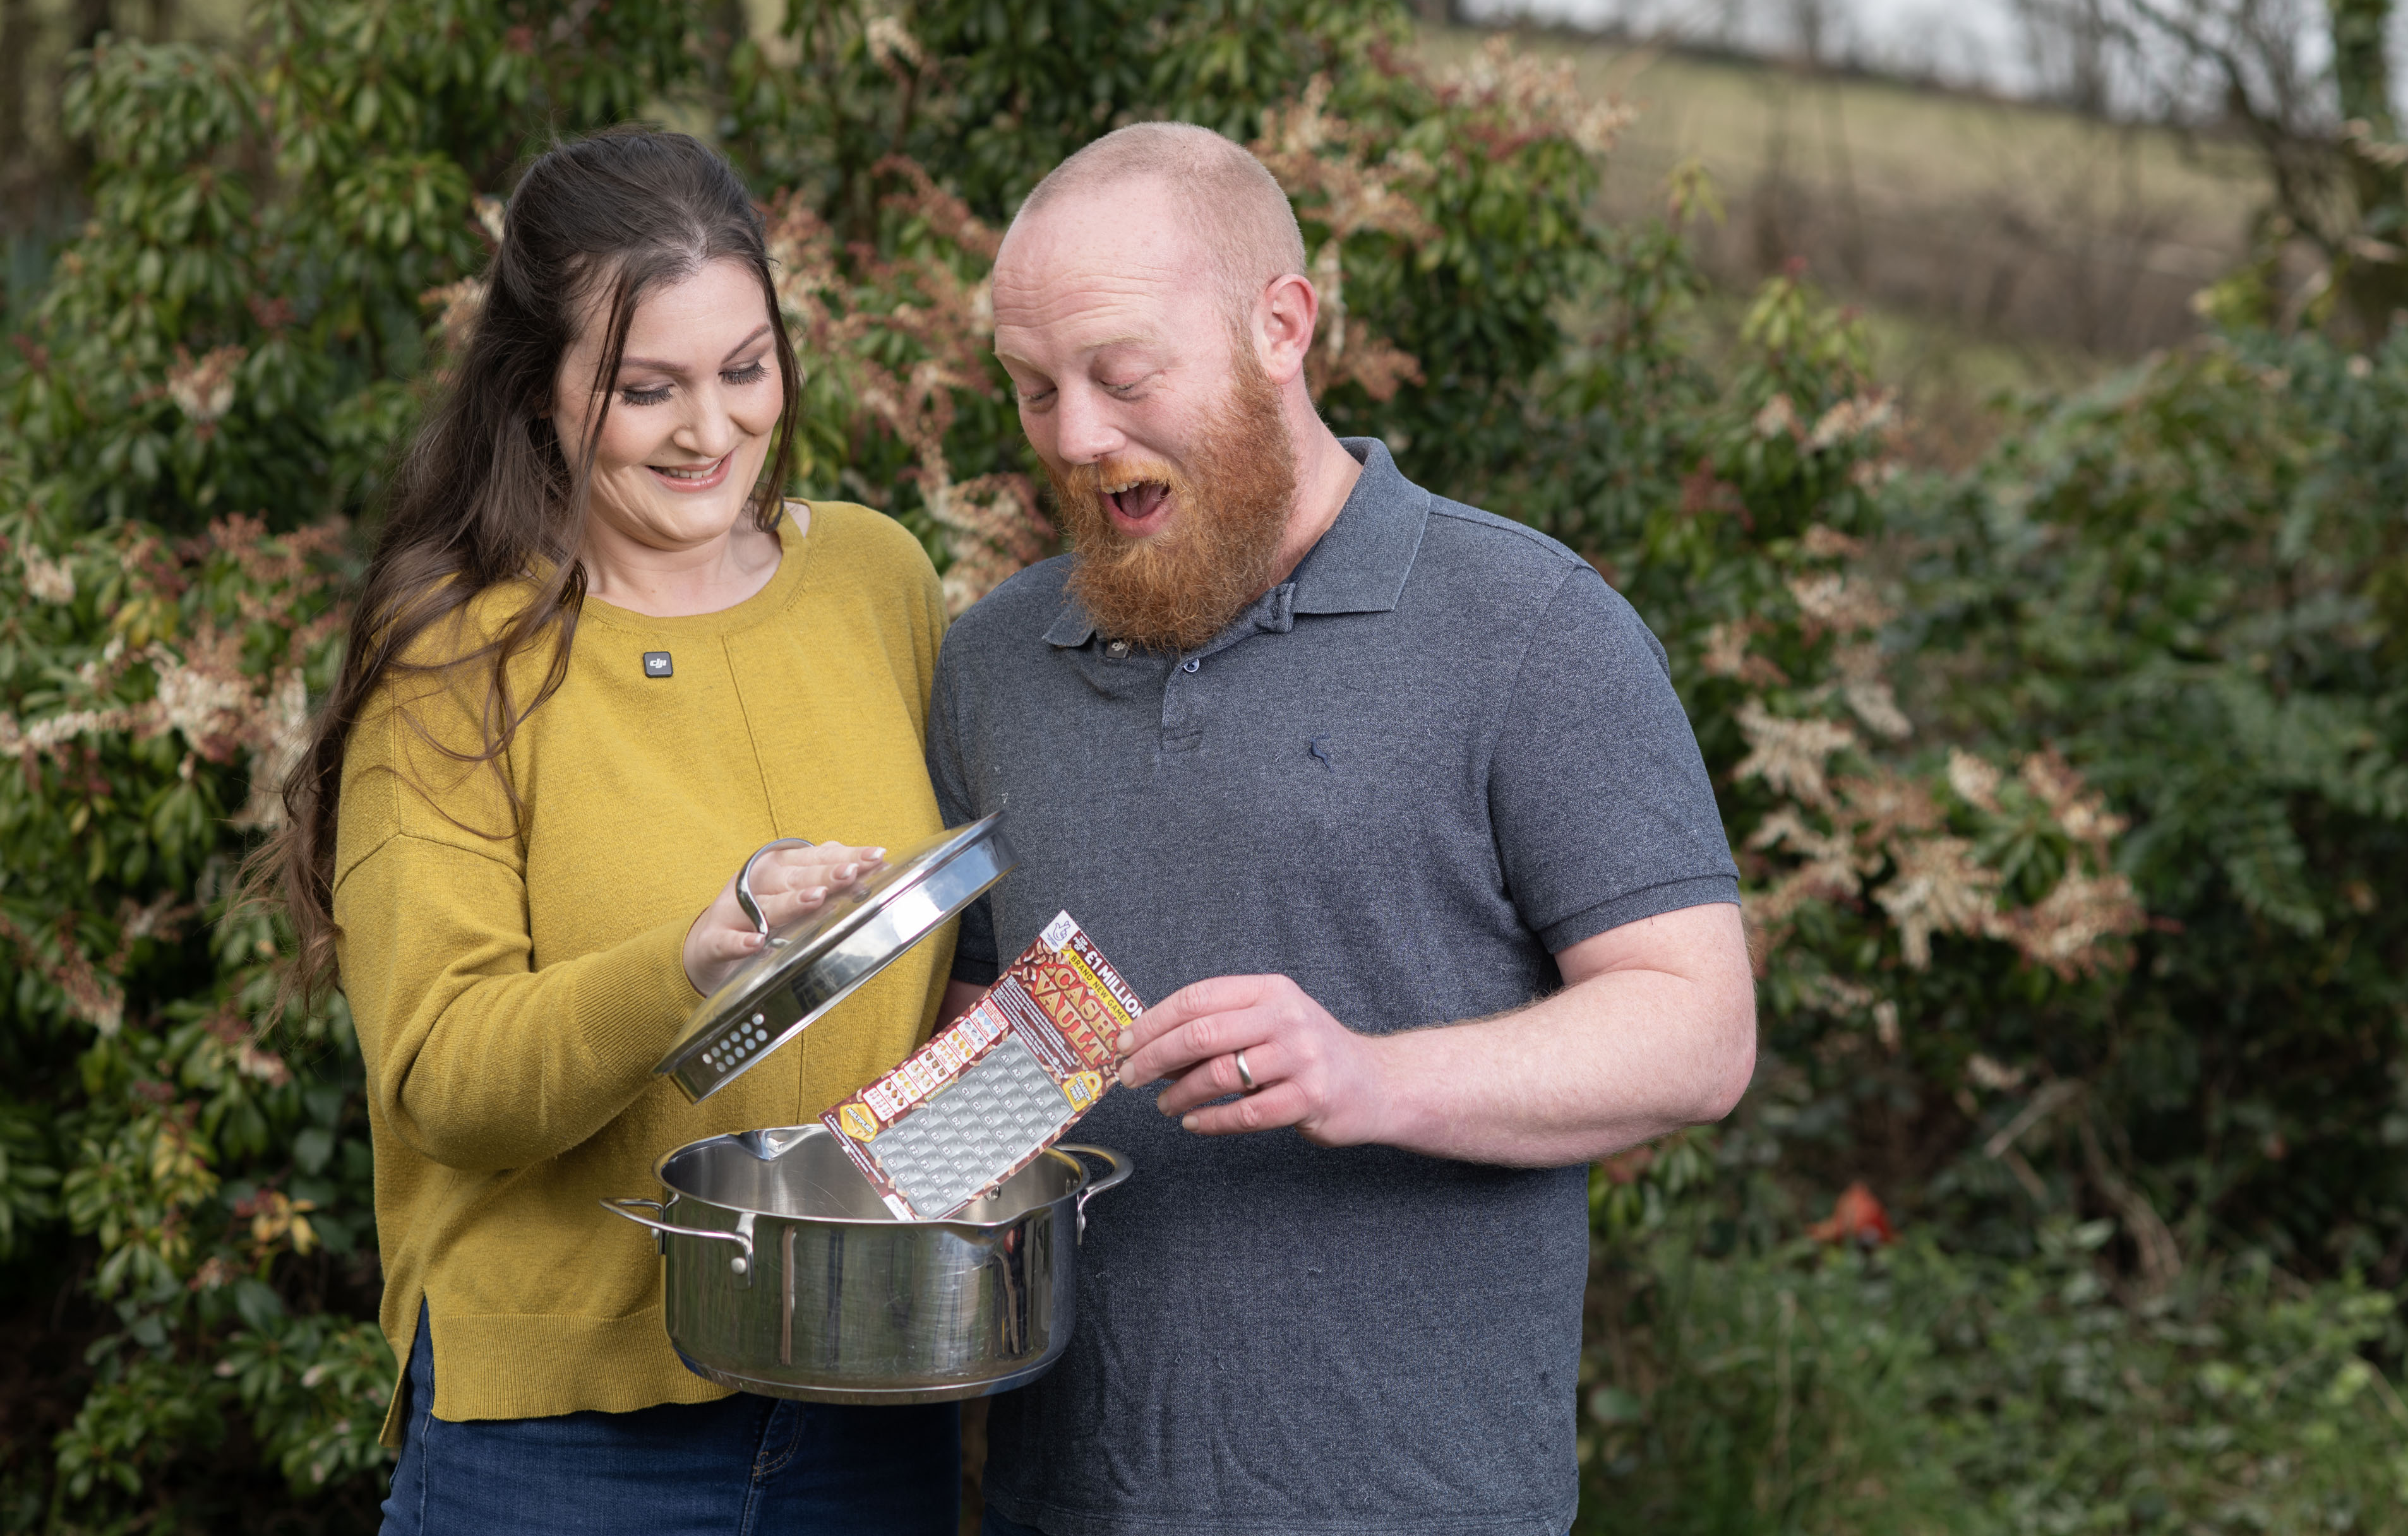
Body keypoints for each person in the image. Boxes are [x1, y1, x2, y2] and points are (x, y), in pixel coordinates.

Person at [926, 122, 1759, 1536]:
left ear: (1279, 327)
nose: (1073, 434)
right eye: (1031, 391)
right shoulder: (994, 662)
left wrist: (1364, 1074)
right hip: (1060, 1502)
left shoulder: (1526, 627)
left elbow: (1695, 1031)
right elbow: (977, 1059)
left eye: (1122, 375)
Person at [263, 129, 961, 1535]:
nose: (711, 430)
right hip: (564, 1449)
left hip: (867, 1408)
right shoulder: (459, 662)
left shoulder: (877, 580)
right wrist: (688, 962)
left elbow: (945, 963)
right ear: (539, 391)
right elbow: (440, 1071)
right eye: (648, 390)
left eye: (744, 369)